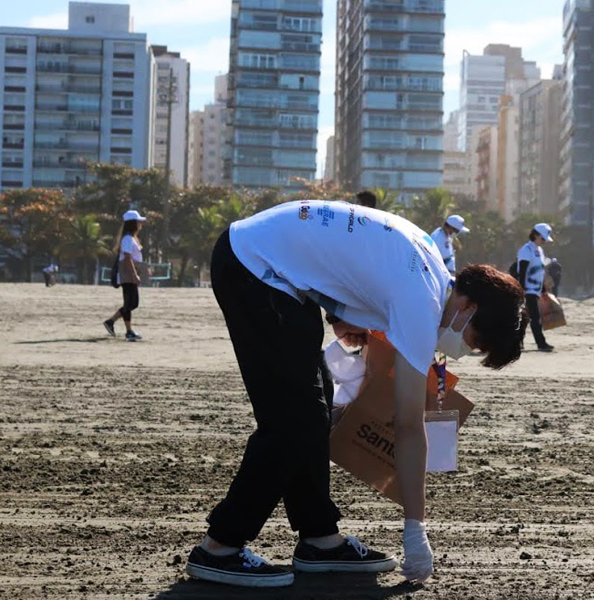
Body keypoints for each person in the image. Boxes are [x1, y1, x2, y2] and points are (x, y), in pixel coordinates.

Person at [187, 200, 528, 588]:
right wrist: (415, 528)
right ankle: (220, 546)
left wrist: (341, 315)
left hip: (269, 266)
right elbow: (409, 425)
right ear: (467, 308)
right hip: (253, 267)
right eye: (475, 342)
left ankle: (319, 538)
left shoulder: (432, 268)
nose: (465, 350)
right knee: (293, 420)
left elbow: (351, 262)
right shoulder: (422, 303)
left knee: (312, 409)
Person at [103, 210, 147, 341]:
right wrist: (134, 274)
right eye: (138, 222)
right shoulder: (127, 239)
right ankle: (128, 331)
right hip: (127, 272)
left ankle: (111, 322)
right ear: (133, 223)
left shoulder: (130, 238)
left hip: (129, 272)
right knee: (130, 303)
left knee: (132, 303)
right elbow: (127, 258)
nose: (140, 224)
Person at [516, 223, 554, 352]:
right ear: (536, 235)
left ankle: (518, 342)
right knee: (534, 317)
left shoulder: (539, 250)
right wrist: (521, 290)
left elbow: (539, 272)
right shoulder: (526, 250)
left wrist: (543, 289)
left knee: (524, 318)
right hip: (527, 290)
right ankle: (541, 343)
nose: (544, 242)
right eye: (543, 238)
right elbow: (522, 271)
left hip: (535, 290)